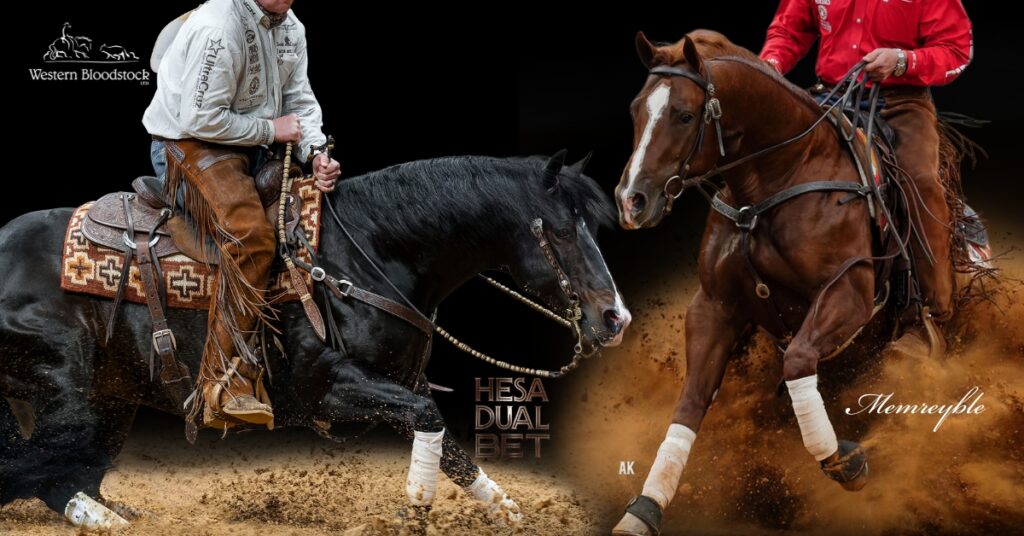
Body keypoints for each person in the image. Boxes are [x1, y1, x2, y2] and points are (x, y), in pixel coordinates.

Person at [142, 0, 341, 429]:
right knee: (252, 239)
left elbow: (299, 99)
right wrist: (272, 130)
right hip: (190, 145)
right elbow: (199, 118)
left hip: (249, 146)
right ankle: (220, 382)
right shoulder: (219, 26)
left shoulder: (290, 26)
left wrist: (315, 151)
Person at [760, 0, 973, 349]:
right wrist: (770, 64)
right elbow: (790, 28)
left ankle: (930, 314)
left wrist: (903, 61)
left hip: (900, 104)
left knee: (919, 180)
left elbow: (956, 51)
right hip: (830, 96)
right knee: (772, 166)